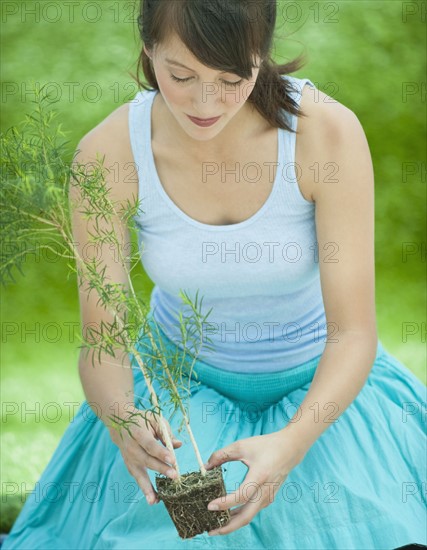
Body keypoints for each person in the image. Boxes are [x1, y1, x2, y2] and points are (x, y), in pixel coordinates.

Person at [3, 1, 426, 548]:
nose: (206, 103)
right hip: (180, 401)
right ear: (149, 48)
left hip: (319, 394)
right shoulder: (108, 155)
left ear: (262, 56)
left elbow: (354, 335)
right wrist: (123, 420)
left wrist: (291, 444)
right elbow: (102, 346)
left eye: (232, 78)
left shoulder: (326, 135)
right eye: (181, 76)